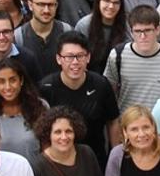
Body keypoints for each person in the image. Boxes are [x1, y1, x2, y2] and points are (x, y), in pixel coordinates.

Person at [38, 32, 122, 163]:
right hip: (58, 161)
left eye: (80, 56)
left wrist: (116, 156)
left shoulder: (101, 85)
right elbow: (42, 130)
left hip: (95, 159)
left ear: (88, 57)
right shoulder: (46, 87)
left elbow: (113, 121)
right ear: (59, 59)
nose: (75, 62)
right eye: (69, 57)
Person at [104, 6, 160, 110]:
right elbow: (108, 94)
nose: (143, 36)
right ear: (131, 32)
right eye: (138, 31)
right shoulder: (117, 55)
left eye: (148, 30)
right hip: (127, 122)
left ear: (157, 30)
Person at [77, 0, 131, 73]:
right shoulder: (84, 25)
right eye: (107, 1)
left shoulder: (127, 26)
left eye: (116, 3)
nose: (111, 6)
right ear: (98, 2)